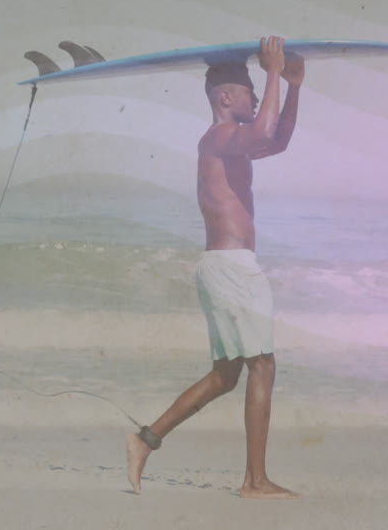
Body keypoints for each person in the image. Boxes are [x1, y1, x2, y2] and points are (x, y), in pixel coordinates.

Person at [125, 36, 304, 499]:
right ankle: (255, 481)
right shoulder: (221, 137)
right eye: (247, 91)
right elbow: (265, 131)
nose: (252, 99)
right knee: (262, 366)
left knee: (226, 376)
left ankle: (145, 439)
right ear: (227, 97)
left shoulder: (228, 144)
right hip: (232, 267)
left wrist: (294, 85)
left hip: (224, 267)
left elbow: (277, 140)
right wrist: (270, 71)